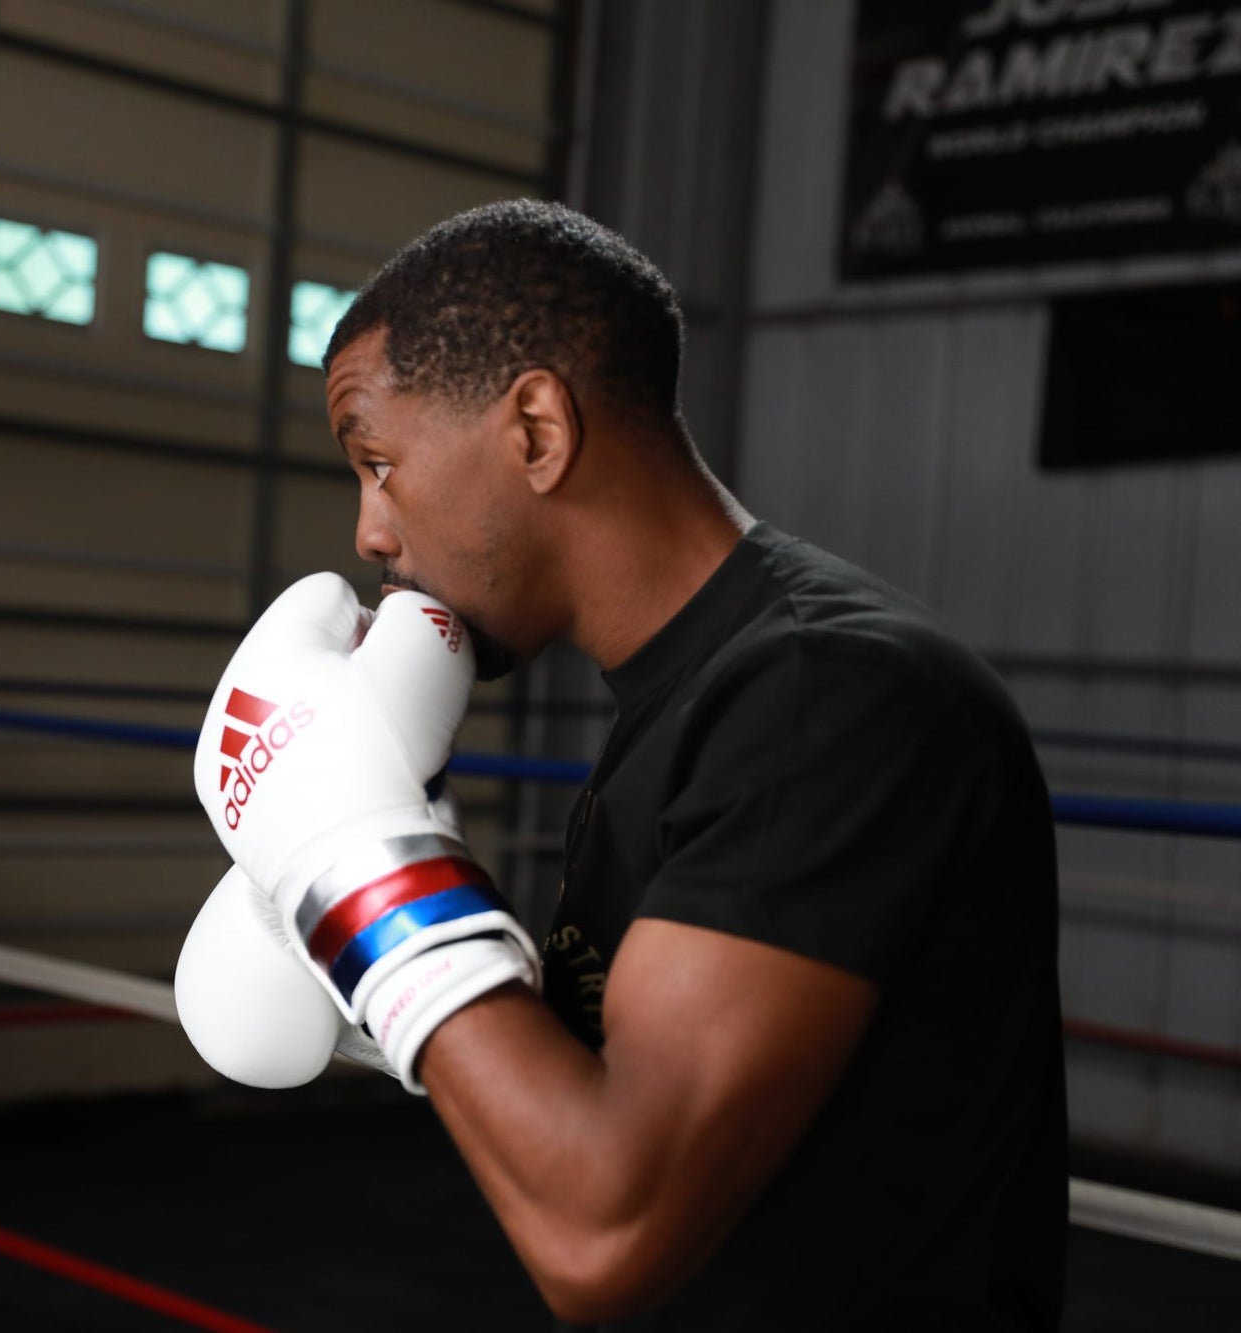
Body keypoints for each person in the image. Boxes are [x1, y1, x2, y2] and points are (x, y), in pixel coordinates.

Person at [175, 199, 1068, 1330]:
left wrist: (350, 864)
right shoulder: (695, 696)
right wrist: (345, 917)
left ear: (536, 430)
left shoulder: (827, 695)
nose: (369, 531)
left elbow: (603, 1226)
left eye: (378, 461)